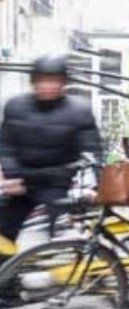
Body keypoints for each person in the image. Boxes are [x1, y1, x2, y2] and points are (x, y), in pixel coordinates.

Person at [0, 54, 103, 253]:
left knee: (63, 239)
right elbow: (6, 145)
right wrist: (12, 176)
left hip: (58, 185)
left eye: (54, 80)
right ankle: (9, 271)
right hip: (22, 182)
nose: (48, 86)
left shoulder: (79, 111)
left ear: (63, 83)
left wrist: (97, 185)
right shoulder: (15, 107)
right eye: (43, 80)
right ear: (34, 82)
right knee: (3, 232)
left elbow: (92, 151)